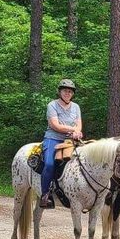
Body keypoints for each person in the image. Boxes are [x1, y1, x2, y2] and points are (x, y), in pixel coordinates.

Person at [39, 79, 84, 209]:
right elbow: (55, 125)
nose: (67, 93)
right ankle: (45, 195)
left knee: (85, 160)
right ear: (59, 92)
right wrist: (73, 130)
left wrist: (78, 131)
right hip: (53, 138)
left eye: (70, 91)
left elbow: (79, 124)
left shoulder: (76, 107)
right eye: (65, 91)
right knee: (49, 164)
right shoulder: (52, 105)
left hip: (71, 140)